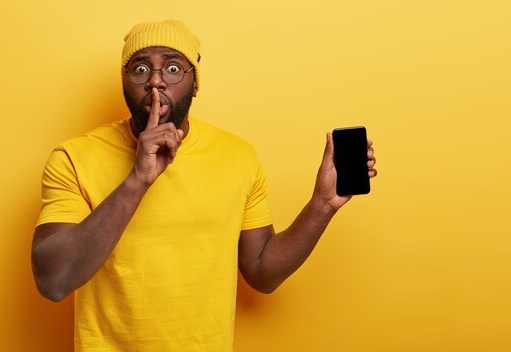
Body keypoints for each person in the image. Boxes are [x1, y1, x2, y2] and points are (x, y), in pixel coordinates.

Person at [31, 20, 377, 352]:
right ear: (124, 83)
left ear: (195, 83)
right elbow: (53, 280)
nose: (155, 82)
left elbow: (262, 272)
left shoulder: (238, 156)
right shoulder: (74, 157)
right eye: (139, 69)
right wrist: (137, 179)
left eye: (172, 68)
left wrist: (321, 206)